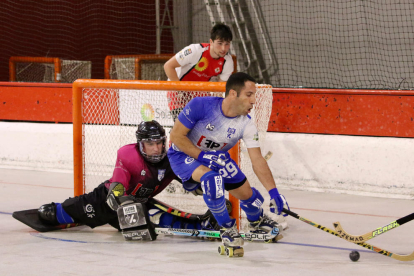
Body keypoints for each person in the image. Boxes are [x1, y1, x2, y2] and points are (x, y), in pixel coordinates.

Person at [35, 120, 219, 239]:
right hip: (106, 200)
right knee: (52, 213)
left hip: (140, 203)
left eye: (159, 143)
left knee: (163, 219)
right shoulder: (127, 154)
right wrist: (123, 202)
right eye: (150, 144)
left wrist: (207, 188)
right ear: (140, 144)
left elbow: (190, 181)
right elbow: (117, 187)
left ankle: (202, 227)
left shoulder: (171, 158)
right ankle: (66, 213)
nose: (156, 148)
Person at [168, 72, 289, 248]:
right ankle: (227, 229)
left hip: (217, 158)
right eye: (249, 95)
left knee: (251, 197)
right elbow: (176, 136)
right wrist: (202, 156)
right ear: (233, 94)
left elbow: (257, 160)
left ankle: (257, 222)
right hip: (183, 156)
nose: (254, 100)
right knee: (213, 180)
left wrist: (274, 193)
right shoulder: (200, 105)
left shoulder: (246, 125)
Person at [164, 23, 234, 121]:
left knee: (205, 128)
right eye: (220, 43)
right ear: (211, 42)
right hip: (178, 89)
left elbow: (219, 88)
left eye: (227, 44)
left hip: (199, 93)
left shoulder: (227, 62)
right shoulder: (194, 50)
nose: (223, 48)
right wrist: (179, 89)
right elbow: (168, 66)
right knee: (181, 126)